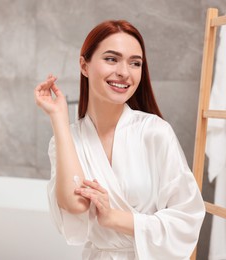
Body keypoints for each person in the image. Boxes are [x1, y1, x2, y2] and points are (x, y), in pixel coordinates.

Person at [34, 20, 205, 260]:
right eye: (112, 59)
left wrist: (114, 217)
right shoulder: (66, 139)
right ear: (84, 65)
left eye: (135, 63)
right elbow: (75, 206)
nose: (124, 72)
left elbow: (187, 218)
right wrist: (58, 119)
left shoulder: (155, 132)